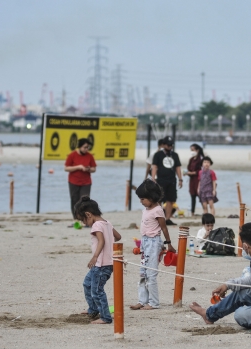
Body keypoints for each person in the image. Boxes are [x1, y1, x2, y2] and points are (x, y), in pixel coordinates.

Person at [130, 180, 176, 311]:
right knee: (143, 273)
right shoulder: (146, 209)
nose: (141, 201)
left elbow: (164, 228)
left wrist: (168, 244)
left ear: (152, 197)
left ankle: (154, 302)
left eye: (143, 199)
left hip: (153, 243)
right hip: (145, 242)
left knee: (151, 273)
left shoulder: (157, 210)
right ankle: (142, 301)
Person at [74, 196, 121, 324]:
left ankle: (105, 317)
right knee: (87, 284)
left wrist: (95, 256)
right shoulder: (107, 223)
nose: (84, 224)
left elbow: (102, 240)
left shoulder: (96, 226)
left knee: (97, 291)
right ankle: (93, 309)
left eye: (83, 220)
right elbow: (118, 237)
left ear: (88, 214)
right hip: (106, 264)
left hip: (101, 265)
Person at [151, 136, 183, 225]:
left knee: (170, 200)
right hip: (161, 180)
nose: (170, 146)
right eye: (168, 145)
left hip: (172, 180)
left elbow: (178, 167)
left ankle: (167, 218)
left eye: (171, 145)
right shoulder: (158, 155)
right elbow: (154, 166)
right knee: (159, 200)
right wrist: (153, 178)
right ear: (163, 145)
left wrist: (180, 179)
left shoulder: (175, 155)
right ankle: (158, 218)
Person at [65, 138, 96, 220]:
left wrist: (88, 169)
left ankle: (85, 219)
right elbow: (66, 168)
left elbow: (94, 169)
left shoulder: (90, 156)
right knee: (74, 200)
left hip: (86, 182)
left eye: (87, 147)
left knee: (85, 201)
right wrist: (78, 167)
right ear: (80, 147)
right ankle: (76, 219)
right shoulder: (72, 155)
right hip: (73, 181)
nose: (86, 149)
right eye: (85, 147)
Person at [185, 143, 204, 216]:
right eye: (191, 150)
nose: (191, 151)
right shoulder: (191, 159)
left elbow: (201, 170)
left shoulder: (201, 159)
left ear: (197, 150)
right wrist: (187, 173)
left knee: (200, 195)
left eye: (193, 150)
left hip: (198, 179)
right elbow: (188, 168)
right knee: (192, 195)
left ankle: (205, 211)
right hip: (192, 180)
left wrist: (192, 173)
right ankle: (192, 212)